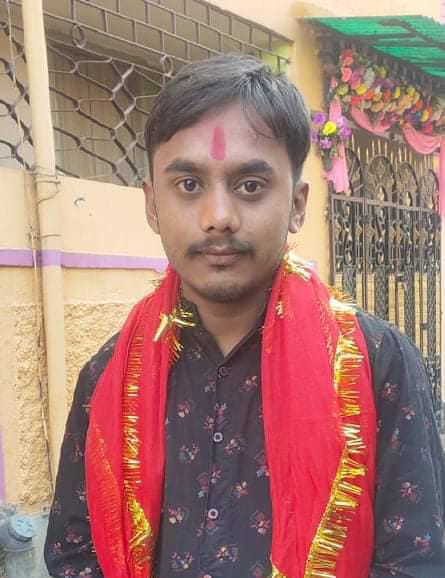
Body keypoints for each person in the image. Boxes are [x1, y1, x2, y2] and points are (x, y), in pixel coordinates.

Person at [44, 55, 445, 578]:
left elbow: (416, 558)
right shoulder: (109, 376)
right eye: (189, 185)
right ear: (152, 204)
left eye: (250, 185)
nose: (219, 218)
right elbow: (74, 553)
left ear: (297, 204)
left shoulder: (373, 362)